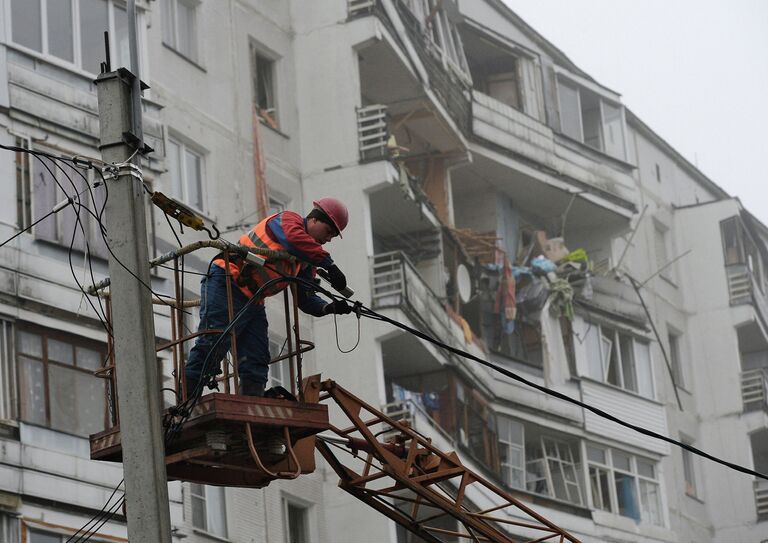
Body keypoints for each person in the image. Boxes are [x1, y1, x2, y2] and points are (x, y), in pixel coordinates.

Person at [184, 198, 352, 397]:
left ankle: (251, 408)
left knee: (256, 358)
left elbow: (305, 298)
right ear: (314, 220)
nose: (328, 239)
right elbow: (293, 238)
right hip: (227, 281)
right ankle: (185, 403)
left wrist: (330, 307)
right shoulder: (288, 220)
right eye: (329, 232)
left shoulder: (306, 260)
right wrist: (329, 264)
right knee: (213, 341)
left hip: (253, 300)